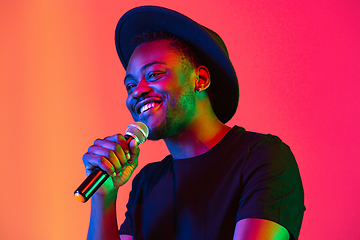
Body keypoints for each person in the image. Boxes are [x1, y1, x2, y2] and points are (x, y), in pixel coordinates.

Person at [82, 6, 305, 240]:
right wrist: (103, 195)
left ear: (200, 80)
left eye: (154, 75)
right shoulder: (146, 183)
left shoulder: (261, 157)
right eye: (130, 85)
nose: (137, 92)